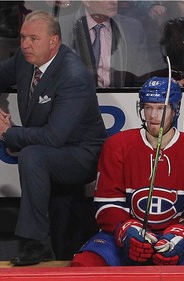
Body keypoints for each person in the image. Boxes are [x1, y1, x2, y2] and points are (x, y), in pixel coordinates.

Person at [0, 10, 108, 266]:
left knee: (33, 155)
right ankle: (43, 241)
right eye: (23, 37)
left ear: (54, 42)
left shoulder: (73, 76)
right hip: (54, 149)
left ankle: (35, 242)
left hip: (83, 154)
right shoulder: (26, 59)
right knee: (36, 156)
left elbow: (53, 137)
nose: (25, 44)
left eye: (33, 39)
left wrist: (6, 133)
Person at [71, 76, 184, 266]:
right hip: (126, 234)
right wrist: (124, 228)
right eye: (148, 107)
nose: (153, 116)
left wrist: (180, 234)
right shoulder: (117, 145)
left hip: (176, 236)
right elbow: (106, 204)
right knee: (85, 265)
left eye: (160, 108)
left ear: (175, 110)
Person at [59, 0, 149, 88]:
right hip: (77, 97)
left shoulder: (132, 27)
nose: (114, 1)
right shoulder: (63, 27)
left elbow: (140, 73)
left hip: (122, 97)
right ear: (87, 2)